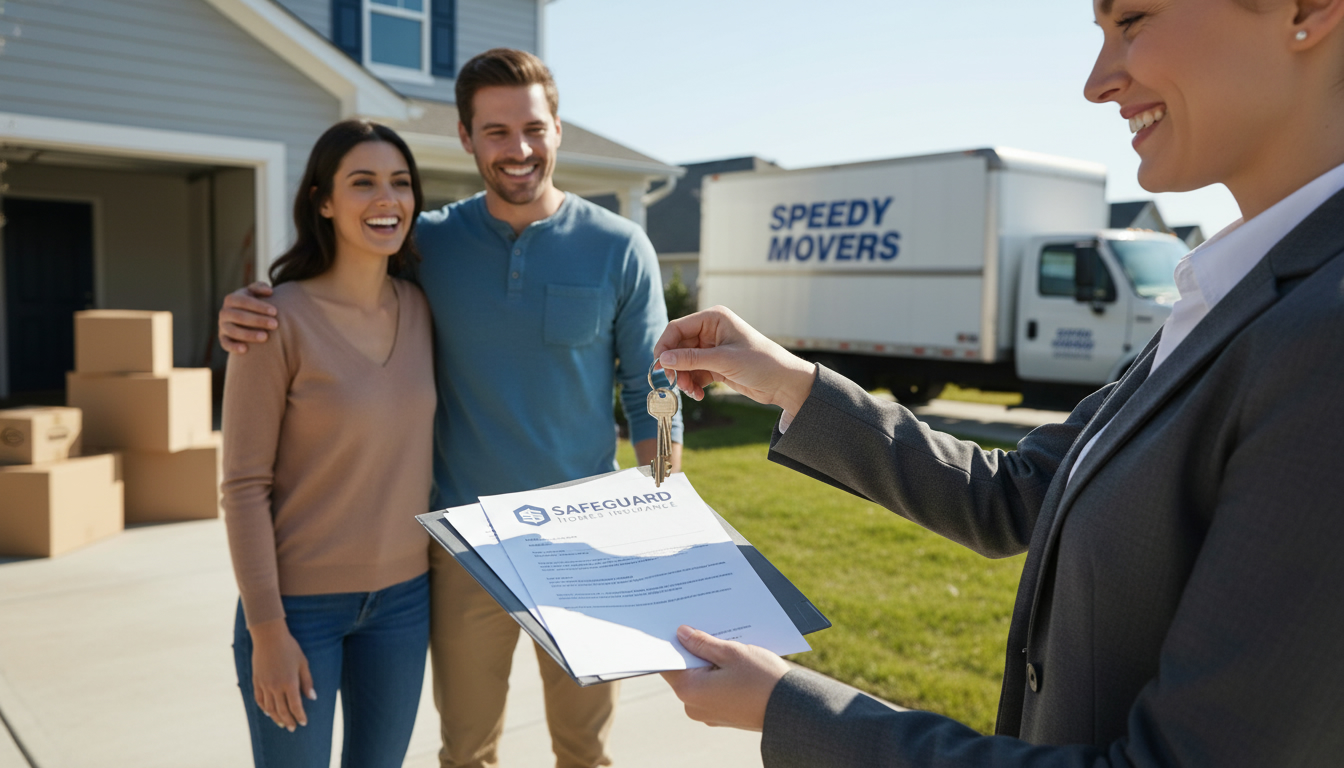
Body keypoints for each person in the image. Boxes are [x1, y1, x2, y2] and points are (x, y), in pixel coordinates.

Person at [653, 0, 1344, 764]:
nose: (1097, 82)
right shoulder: (1231, 293)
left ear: (1307, 11)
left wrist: (798, 710)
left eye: (1134, 18)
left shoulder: (1325, 331)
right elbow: (1015, 495)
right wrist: (789, 382)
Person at [218, 49, 682, 768]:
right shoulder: (428, 244)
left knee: (585, 749)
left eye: (533, 127)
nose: (518, 149)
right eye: (495, 132)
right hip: (466, 543)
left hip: (588, 543)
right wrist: (248, 309)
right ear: (466, 138)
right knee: (465, 749)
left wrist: (667, 519)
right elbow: (340, 270)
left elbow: (650, 397)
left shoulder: (621, 248)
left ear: (559, 128)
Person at [221, 119, 435, 768]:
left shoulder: (422, 308)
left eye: (400, 183)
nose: (386, 199)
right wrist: (266, 629)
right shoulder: (273, 318)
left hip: (404, 604)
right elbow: (242, 487)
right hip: (297, 611)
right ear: (323, 201)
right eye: (362, 182)